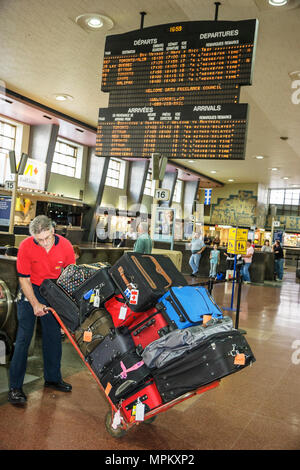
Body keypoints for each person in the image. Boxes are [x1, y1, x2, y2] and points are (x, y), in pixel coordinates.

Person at [8, 215, 76, 405]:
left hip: (53, 289)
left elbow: (69, 276)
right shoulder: (26, 246)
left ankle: (53, 378)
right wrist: (35, 304)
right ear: (33, 237)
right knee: (23, 338)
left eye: (47, 238)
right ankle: (15, 388)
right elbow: (24, 279)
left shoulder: (66, 246)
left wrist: (63, 303)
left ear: (52, 231)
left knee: (53, 336)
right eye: (40, 240)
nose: (45, 243)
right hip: (30, 289)